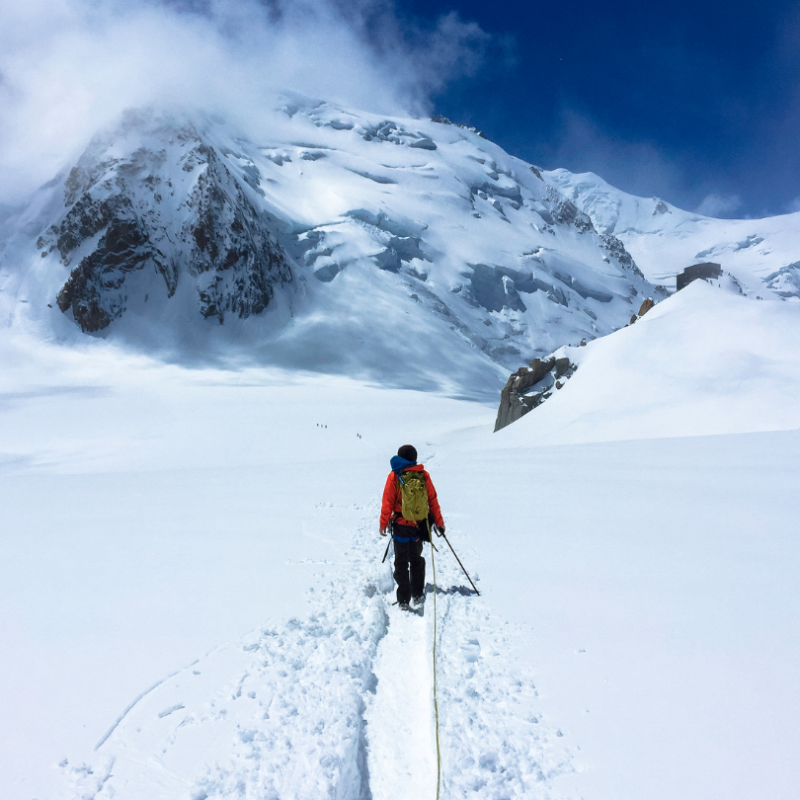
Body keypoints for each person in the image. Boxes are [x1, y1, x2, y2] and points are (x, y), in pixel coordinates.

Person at [380, 444, 445, 610]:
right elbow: (432, 500)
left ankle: (403, 599)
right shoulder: (423, 475)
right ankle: (417, 594)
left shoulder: (394, 476)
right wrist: (439, 522)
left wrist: (383, 523)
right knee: (416, 560)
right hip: (418, 526)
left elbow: (387, 502)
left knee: (401, 562)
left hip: (400, 526)